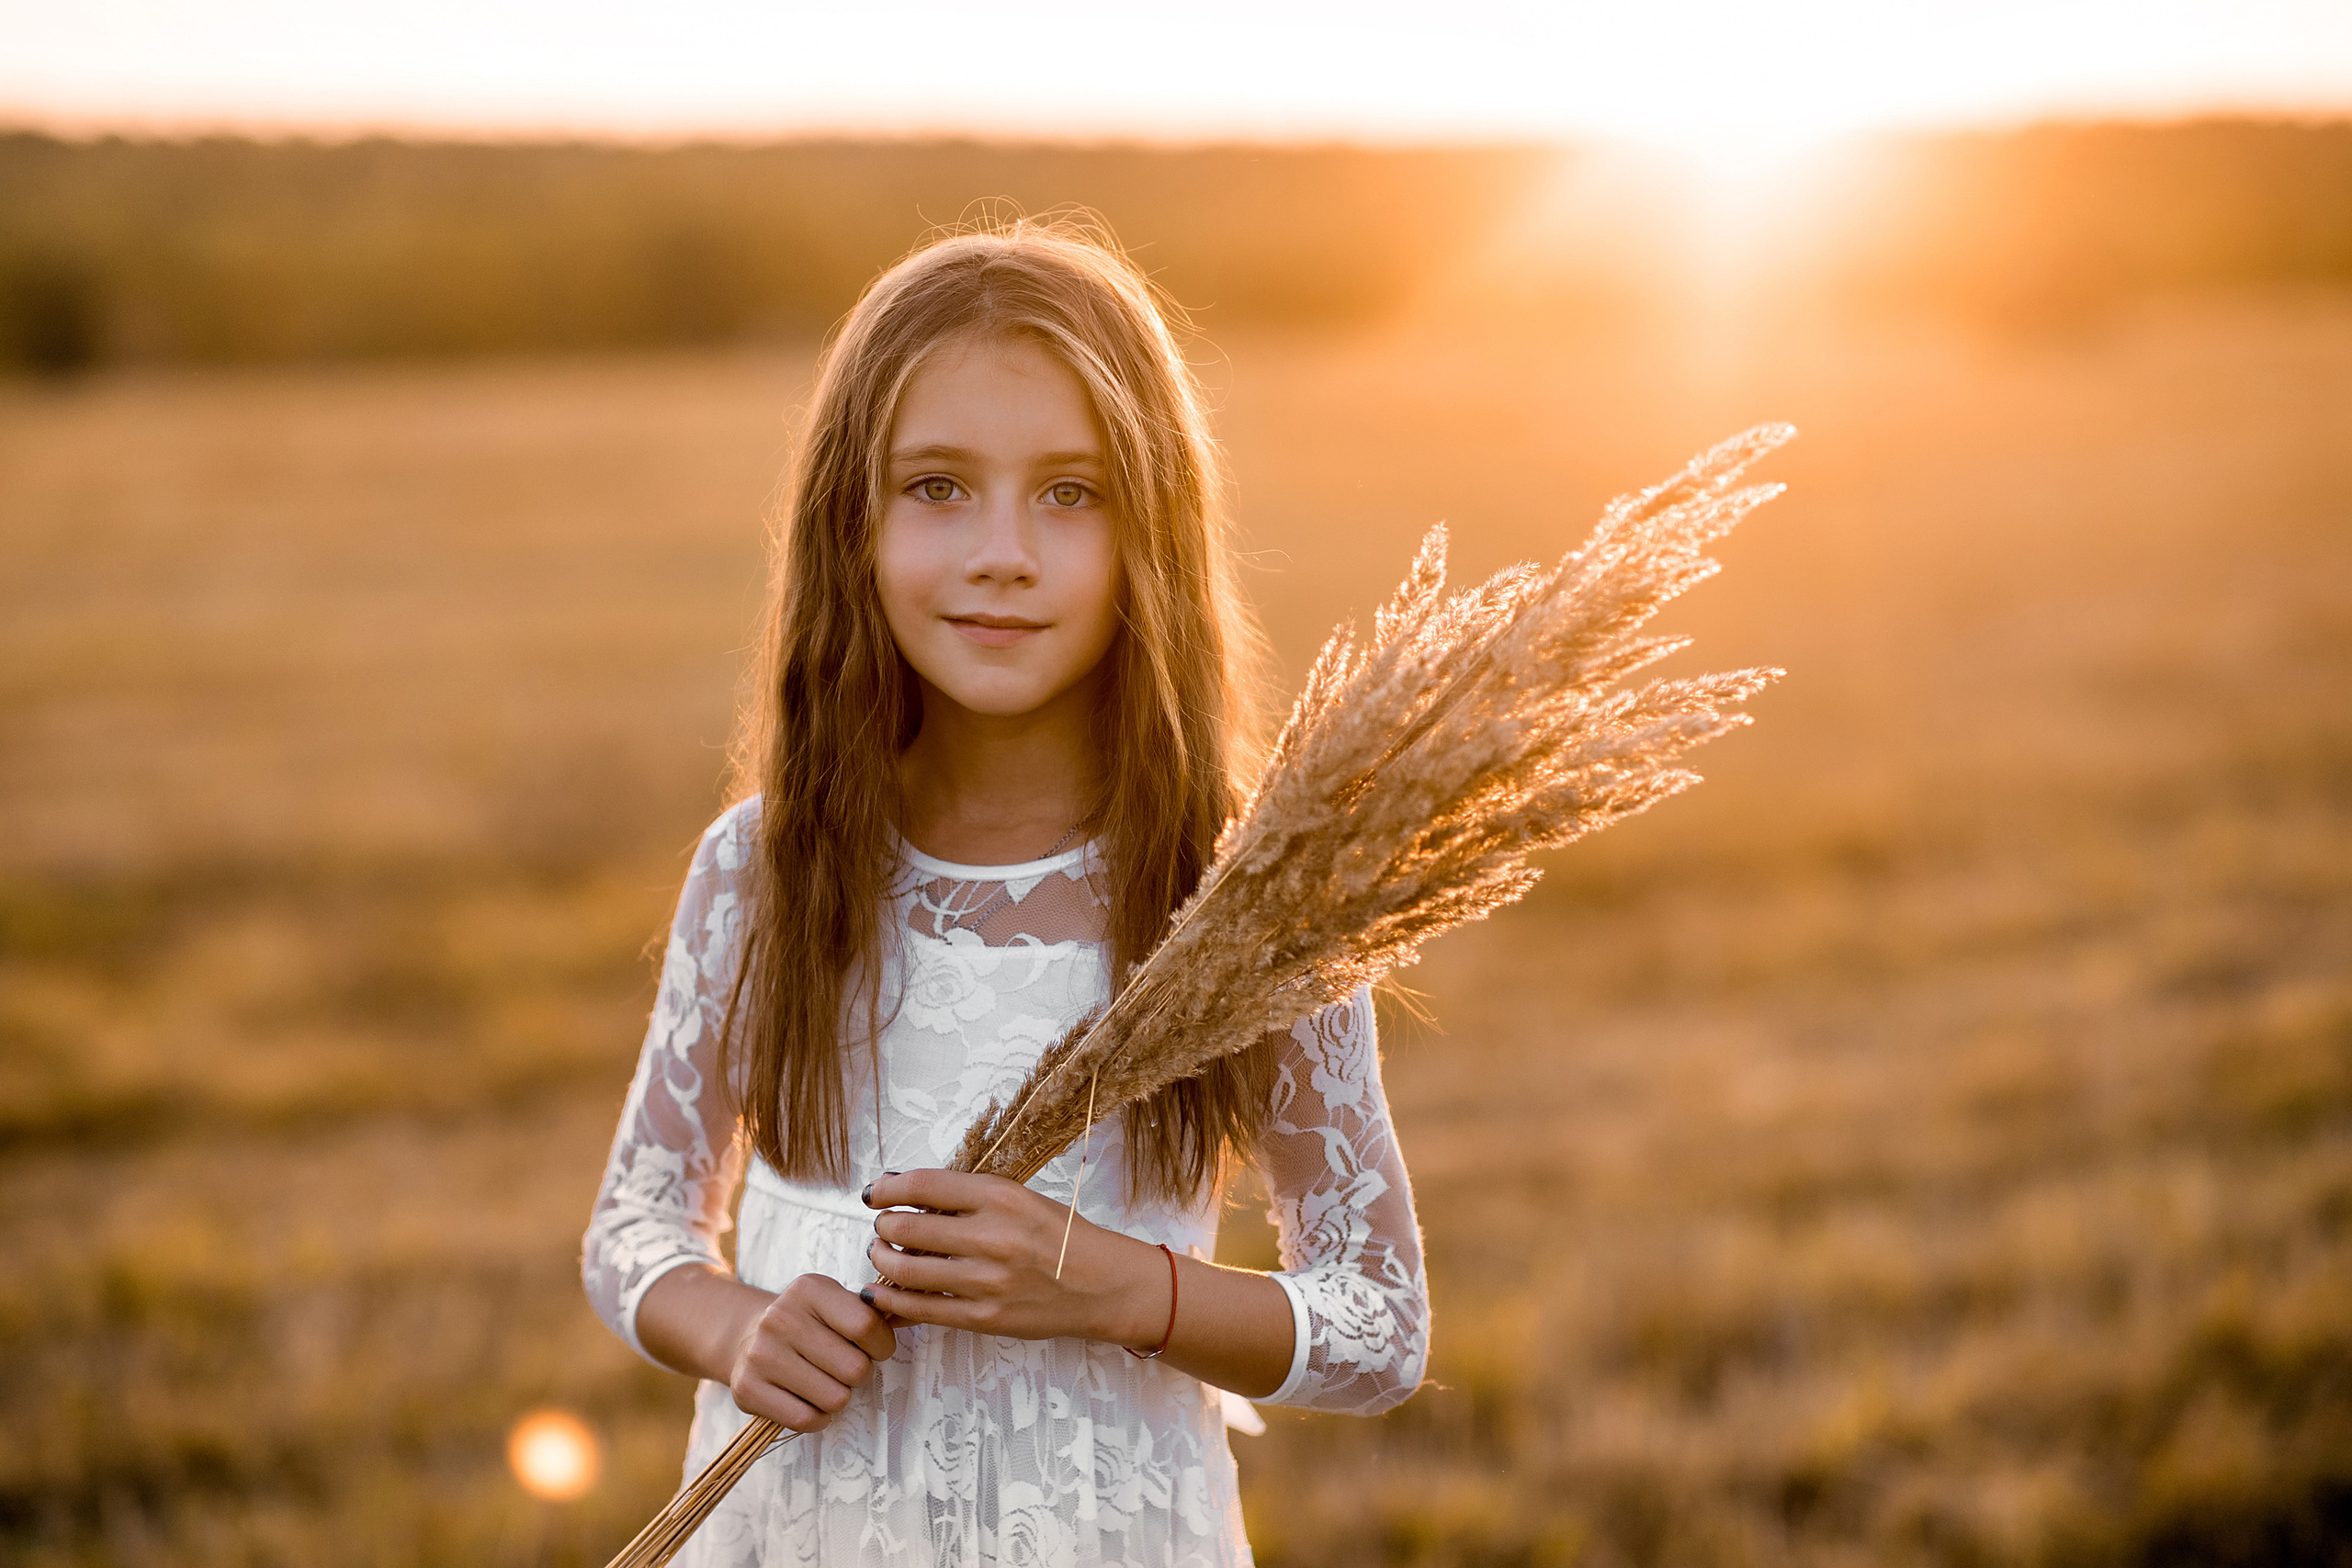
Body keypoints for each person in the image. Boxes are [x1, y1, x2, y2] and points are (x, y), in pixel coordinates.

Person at [582, 219, 1427, 1567]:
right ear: (848, 519)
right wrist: (736, 1327)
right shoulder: (764, 867)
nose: (1002, 553)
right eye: (936, 488)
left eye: (1071, 494)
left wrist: (1121, 1290)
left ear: (1152, 528)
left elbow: (1382, 1326)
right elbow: (634, 1227)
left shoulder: (1246, 899)